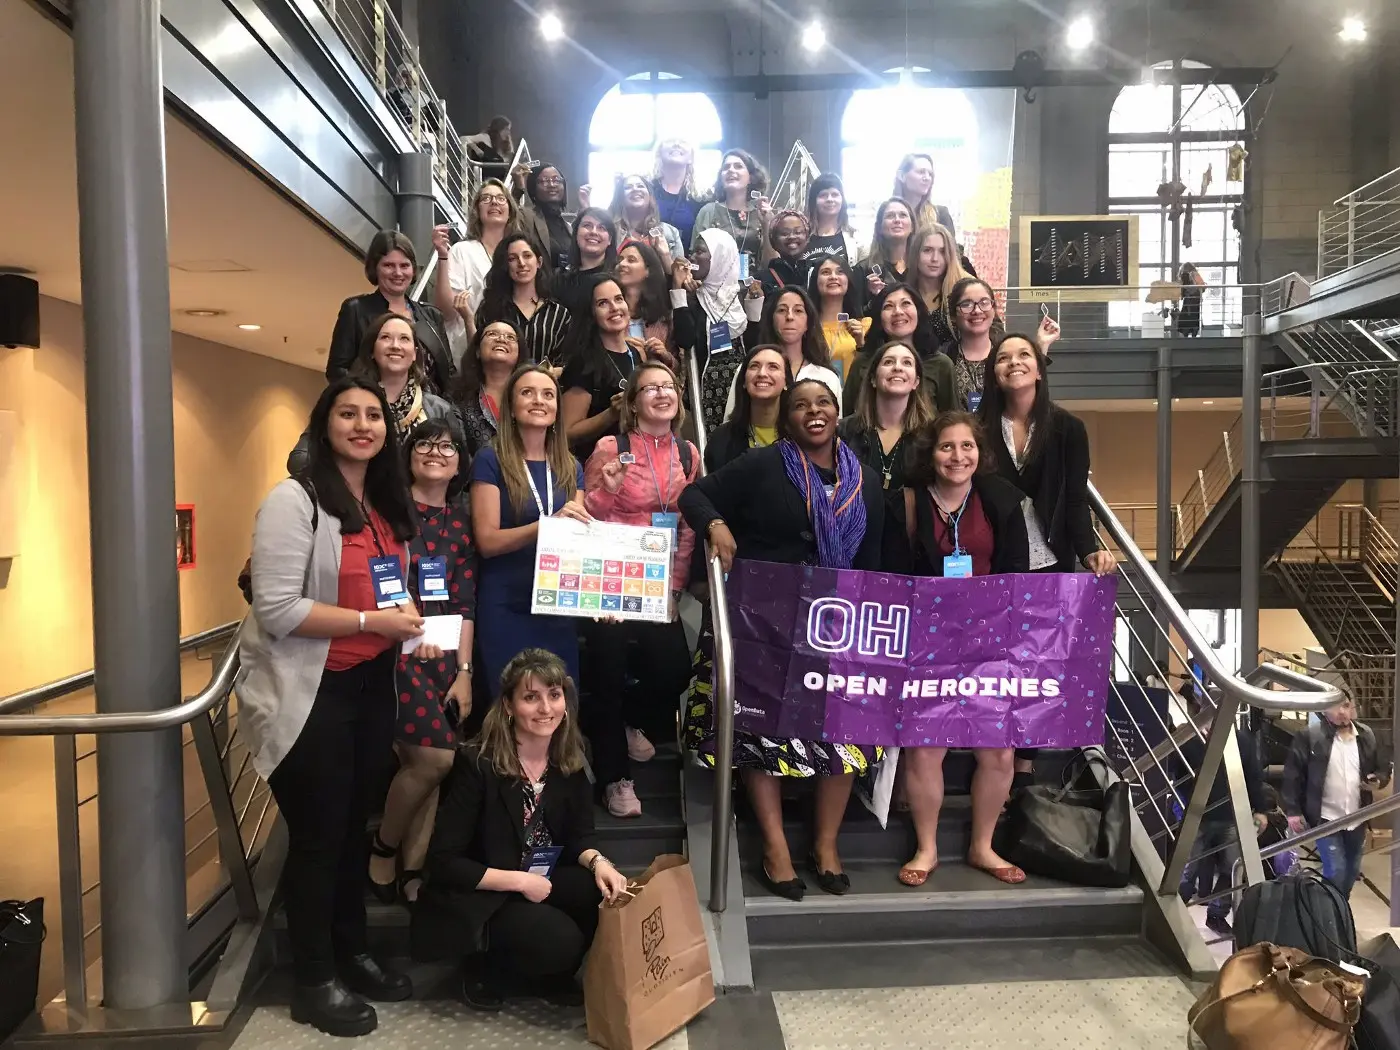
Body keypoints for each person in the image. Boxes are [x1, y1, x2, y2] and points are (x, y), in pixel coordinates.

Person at [238, 376, 424, 1037]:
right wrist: (376, 622)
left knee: (350, 833)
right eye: (348, 413)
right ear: (325, 425)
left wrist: (406, 622)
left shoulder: (379, 505)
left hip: (369, 690)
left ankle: (353, 952)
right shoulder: (294, 501)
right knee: (319, 838)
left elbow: (387, 587)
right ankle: (313, 980)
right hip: (308, 694)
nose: (363, 424)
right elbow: (279, 609)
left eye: (374, 414)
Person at [679, 379, 884, 900]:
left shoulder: (864, 476)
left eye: (823, 403)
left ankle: (827, 845)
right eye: (801, 405)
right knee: (760, 733)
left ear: (839, 412)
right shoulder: (766, 463)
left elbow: (877, 554)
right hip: (765, 620)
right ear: (786, 416)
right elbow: (695, 494)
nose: (813, 412)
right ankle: (775, 849)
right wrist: (717, 525)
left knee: (847, 737)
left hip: (841, 621)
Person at [417, 649, 629, 1011]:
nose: (546, 708)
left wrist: (600, 864)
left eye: (554, 695)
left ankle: (550, 976)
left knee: (599, 892)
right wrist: (518, 882)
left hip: (538, 874)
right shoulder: (477, 762)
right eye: (531, 697)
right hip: (484, 889)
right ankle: (483, 968)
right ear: (509, 705)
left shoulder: (572, 757)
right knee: (558, 941)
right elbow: (444, 861)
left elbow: (581, 835)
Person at [893, 411, 1030, 887]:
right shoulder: (906, 504)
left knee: (999, 752)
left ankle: (982, 846)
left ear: (980, 453)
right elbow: (890, 578)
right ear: (931, 454)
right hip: (924, 643)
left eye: (966, 446)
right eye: (947, 447)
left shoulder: (1001, 501)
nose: (957, 456)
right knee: (925, 749)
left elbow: (1017, 573)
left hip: (989, 643)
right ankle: (926, 848)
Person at [977, 333, 1117, 790]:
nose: (1013, 363)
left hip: (1049, 558)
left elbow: (1074, 499)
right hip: (996, 559)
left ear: (1039, 368)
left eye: (1023, 355)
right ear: (993, 372)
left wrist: (1090, 546)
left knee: (1038, 660)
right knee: (997, 657)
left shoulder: (1067, 429)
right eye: (1003, 357)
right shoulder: (978, 428)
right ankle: (994, 750)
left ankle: (1025, 760)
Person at [582, 362, 700, 817]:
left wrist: (673, 586)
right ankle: (616, 779)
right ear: (633, 402)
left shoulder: (688, 453)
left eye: (668, 386)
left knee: (674, 670)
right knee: (607, 675)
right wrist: (606, 492)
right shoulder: (612, 446)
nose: (661, 394)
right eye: (650, 388)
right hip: (610, 579)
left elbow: (687, 525)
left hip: (657, 582)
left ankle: (629, 722)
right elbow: (586, 515)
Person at [369, 421, 476, 906]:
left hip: (444, 654)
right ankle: (384, 846)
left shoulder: (461, 520)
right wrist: (410, 626)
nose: (436, 452)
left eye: (447, 446)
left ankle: (414, 868)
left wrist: (465, 673)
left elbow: (465, 600)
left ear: (459, 462)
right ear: (408, 455)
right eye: (425, 444)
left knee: (429, 768)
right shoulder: (388, 511)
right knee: (434, 758)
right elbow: (381, 577)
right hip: (395, 649)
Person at [470, 364, 590, 691]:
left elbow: (576, 539)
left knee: (556, 707)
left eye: (548, 394)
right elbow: (487, 541)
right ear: (511, 406)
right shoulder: (490, 459)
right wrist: (546, 527)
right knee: (510, 707)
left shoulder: (571, 465)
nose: (539, 400)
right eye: (528, 393)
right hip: (506, 603)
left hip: (557, 604)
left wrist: (603, 595)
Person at [291, 313, 464, 473]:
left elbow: (461, 466)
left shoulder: (439, 409)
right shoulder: (342, 399)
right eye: (386, 338)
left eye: (404, 339)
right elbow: (299, 459)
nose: (395, 346)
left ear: (414, 354)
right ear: (372, 350)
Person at [1283, 695, 1392, 901]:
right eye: (1335, 707)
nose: (1342, 711)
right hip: (1326, 817)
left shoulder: (1366, 735)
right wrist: (1293, 811)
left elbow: (1383, 768)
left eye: (1346, 706)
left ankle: (1333, 912)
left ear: (1352, 708)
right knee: (1336, 872)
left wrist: (1378, 780)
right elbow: (1292, 775)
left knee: (1350, 874)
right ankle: (1328, 918)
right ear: (1324, 710)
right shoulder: (1310, 736)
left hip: (1357, 817)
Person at [1176, 700, 1270, 935]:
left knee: (1233, 869)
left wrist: (1261, 809)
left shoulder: (1242, 741)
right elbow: (1177, 777)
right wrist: (1183, 805)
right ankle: (1173, 914)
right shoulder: (1189, 740)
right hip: (1196, 816)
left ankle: (1217, 915)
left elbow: (1253, 778)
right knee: (1187, 869)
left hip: (1231, 816)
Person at [840, 341, 936, 565]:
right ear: (873, 378)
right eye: (889, 362)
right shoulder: (844, 432)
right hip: (854, 549)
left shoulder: (932, 435)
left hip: (911, 552)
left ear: (916, 381)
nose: (897, 368)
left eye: (907, 363)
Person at [328, 230, 454, 395]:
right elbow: (337, 371)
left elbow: (449, 373)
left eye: (404, 265)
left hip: (431, 414)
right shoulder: (356, 310)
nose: (398, 273)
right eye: (388, 265)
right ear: (375, 268)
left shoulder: (431, 316)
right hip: (377, 413)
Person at [560, 276, 671, 460]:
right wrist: (610, 414)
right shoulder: (583, 362)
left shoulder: (638, 353)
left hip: (642, 463)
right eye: (603, 303)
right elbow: (567, 432)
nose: (614, 308)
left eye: (619, 299)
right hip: (601, 469)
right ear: (591, 313)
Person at [670, 228, 755, 434]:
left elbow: (755, 341)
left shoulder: (744, 295)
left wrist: (756, 305)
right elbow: (685, 339)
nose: (693, 257)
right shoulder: (693, 297)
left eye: (700, 252)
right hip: (704, 395)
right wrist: (677, 288)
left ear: (720, 257)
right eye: (693, 251)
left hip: (741, 390)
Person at [724, 286, 841, 418]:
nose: (790, 317)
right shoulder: (751, 371)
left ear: (808, 322)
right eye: (782, 310)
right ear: (772, 319)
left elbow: (835, 431)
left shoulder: (827, 377)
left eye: (798, 310)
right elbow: (730, 424)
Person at [842, 285, 956, 416]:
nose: (898, 312)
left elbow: (952, 420)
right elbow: (847, 416)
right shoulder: (863, 363)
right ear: (879, 317)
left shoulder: (941, 364)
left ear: (918, 311)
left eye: (906, 303)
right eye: (888, 306)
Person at [476, 233, 571, 366]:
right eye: (512, 258)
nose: (521, 263)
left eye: (527, 256)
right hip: (501, 384)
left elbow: (564, 364)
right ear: (505, 265)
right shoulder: (489, 308)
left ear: (539, 262)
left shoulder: (559, 314)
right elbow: (478, 354)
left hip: (543, 384)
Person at [445, 179, 519, 324]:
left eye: (501, 198)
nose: (494, 202)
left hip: (510, 339)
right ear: (477, 211)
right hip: (468, 340)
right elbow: (449, 310)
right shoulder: (462, 251)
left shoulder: (518, 253)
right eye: (486, 198)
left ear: (510, 211)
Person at [705, 345, 787, 471]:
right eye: (754, 366)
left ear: (786, 382)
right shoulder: (721, 439)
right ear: (743, 381)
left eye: (773, 367)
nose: (762, 373)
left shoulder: (800, 435)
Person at [452, 321, 520, 456]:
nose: (501, 339)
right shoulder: (458, 396)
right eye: (492, 334)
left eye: (510, 337)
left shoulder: (531, 395)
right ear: (477, 351)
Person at [691, 148, 772, 260]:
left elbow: (773, 262)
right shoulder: (708, 211)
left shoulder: (761, 213)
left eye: (738, 166)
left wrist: (767, 224)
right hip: (715, 277)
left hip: (758, 277)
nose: (731, 170)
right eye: (726, 167)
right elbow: (695, 257)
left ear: (751, 178)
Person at [808, 255, 869, 382]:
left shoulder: (865, 326)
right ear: (815, 281)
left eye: (840, 272)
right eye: (825, 272)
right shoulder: (805, 328)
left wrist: (861, 344)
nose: (833, 277)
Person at [909, 224, 969, 351]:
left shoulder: (967, 288)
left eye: (942, 251)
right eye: (927, 250)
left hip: (958, 367)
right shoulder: (905, 292)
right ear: (915, 254)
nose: (935, 259)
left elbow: (993, 332)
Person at [615, 240, 678, 358]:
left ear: (648, 270)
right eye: (620, 260)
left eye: (631, 260)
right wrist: (618, 345)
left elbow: (677, 368)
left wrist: (664, 355)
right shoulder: (610, 309)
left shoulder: (662, 317)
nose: (622, 264)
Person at [553, 207, 619, 316]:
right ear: (576, 234)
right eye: (587, 225)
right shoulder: (559, 280)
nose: (593, 232)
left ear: (610, 240)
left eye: (601, 228)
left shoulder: (618, 276)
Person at [609, 173, 685, 265]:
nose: (635, 189)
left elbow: (679, 276)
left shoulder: (670, 233)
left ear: (650, 196)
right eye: (628, 187)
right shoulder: (610, 230)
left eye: (640, 186)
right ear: (620, 198)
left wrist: (665, 255)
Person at [512, 162, 574, 271]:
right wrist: (518, 189)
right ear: (533, 188)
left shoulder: (568, 227)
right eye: (544, 181)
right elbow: (510, 218)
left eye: (556, 180)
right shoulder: (527, 217)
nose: (552, 185)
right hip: (541, 285)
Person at [801, 172, 865, 269]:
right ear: (814, 201)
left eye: (835, 194)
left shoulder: (856, 239)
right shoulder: (801, 236)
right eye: (823, 195)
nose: (830, 199)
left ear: (842, 200)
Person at [650, 138, 704, 250]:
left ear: (691, 158)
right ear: (659, 153)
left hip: (688, 263)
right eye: (670, 140)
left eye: (683, 141)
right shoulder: (647, 190)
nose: (676, 144)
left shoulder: (700, 198)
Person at [857, 197, 915, 298]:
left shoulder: (921, 268)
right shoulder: (863, 270)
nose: (897, 220)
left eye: (903, 215)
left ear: (912, 226)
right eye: (890, 216)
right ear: (879, 227)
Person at [893, 152, 956, 238]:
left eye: (930, 174)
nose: (927, 178)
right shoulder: (889, 216)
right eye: (921, 172)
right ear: (902, 176)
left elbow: (951, 250)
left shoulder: (941, 215)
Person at [756, 210, 812, 297]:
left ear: (807, 237)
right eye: (784, 233)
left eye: (798, 232)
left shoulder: (816, 272)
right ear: (773, 240)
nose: (792, 237)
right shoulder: (761, 279)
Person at [1178, 263, 1206, 337]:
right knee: (1193, 317)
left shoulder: (1192, 274)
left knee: (1186, 318)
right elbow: (1202, 287)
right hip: (1194, 299)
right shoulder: (1194, 274)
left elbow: (1202, 286)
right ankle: (1192, 335)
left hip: (1190, 299)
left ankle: (1187, 335)